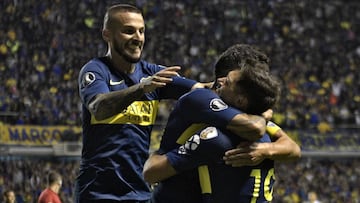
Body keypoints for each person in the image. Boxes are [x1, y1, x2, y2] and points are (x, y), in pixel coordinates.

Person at [75, 5, 266, 203]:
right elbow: (98, 107)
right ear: (107, 34)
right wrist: (141, 89)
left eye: (141, 31)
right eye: (128, 31)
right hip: (97, 194)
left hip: (139, 194)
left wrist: (258, 105)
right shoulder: (96, 70)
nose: (137, 37)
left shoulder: (151, 74)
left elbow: (203, 89)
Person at [143, 44, 301, 202]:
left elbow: (293, 148)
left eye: (229, 82)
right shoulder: (207, 103)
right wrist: (264, 119)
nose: (220, 81)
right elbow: (261, 130)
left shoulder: (224, 129)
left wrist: (264, 150)